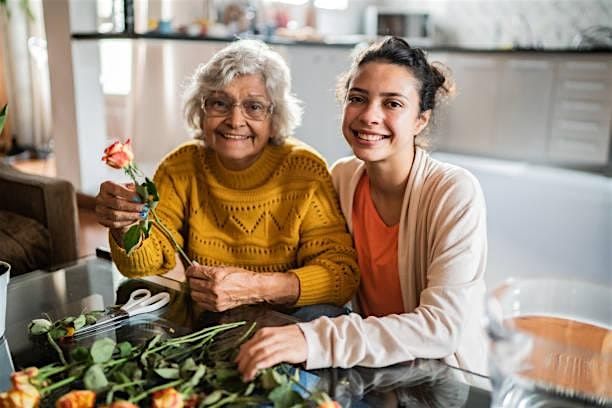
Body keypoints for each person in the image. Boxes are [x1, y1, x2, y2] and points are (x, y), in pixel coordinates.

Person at [236, 37, 488, 378]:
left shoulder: (453, 192)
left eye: (393, 104)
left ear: (420, 120)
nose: (369, 116)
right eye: (357, 98)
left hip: (441, 377)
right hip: (372, 364)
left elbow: (439, 328)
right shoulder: (341, 177)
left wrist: (312, 341)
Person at [95, 39, 359, 312]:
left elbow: (341, 274)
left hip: (287, 320)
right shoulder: (181, 167)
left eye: (254, 107)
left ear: (275, 116)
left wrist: (257, 288)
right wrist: (125, 224)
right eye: (220, 103)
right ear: (201, 110)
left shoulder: (304, 170)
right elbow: (145, 264)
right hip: (208, 318)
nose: (235, 121)